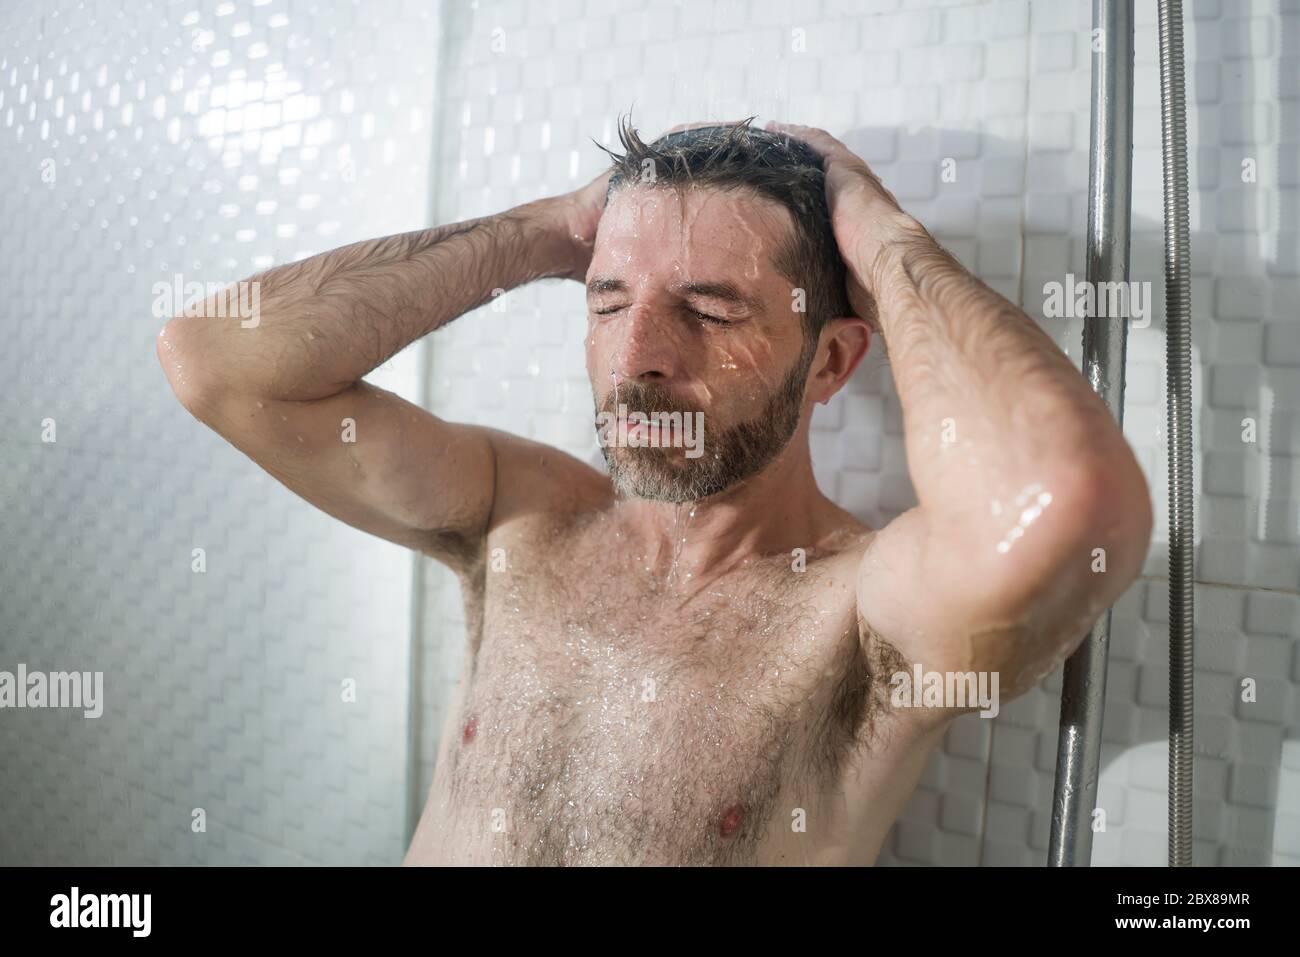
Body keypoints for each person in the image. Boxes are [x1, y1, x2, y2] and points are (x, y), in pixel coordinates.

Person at [157, 117, 1153, 865]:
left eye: (709, 311)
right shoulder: (520, 518)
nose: (636, 359)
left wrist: (885, 243)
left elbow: (1065, 502)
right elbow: (215, 363)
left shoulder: (857, 614)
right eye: (607, 302)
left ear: (830, 361)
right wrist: (548, 230)